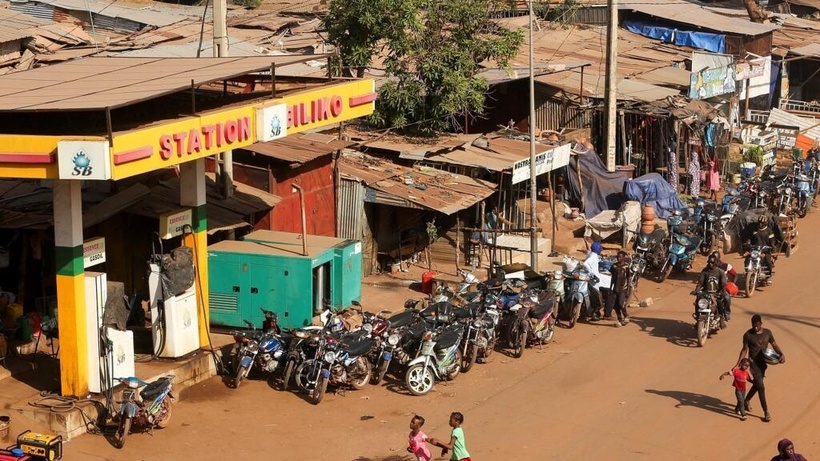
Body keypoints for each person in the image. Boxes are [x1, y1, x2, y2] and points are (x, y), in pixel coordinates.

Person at [735, 314, 786, 422]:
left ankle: (745, 401)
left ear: (761, 324)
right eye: (753, 326)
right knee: (761, 387)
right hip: (753, 365)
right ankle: (766, 412)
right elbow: (744, 349)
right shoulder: (748, 335)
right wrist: (738, 363)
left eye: (757, 326)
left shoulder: (768, 333)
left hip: (763, 365)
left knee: (757, 385)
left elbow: (774, 345)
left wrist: (781, 354)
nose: (755, 328)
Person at [694, 252, 728, 322]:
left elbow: (723, 284)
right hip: (706, 293)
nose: (710, 264)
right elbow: (700, 282)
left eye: (712, 263)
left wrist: (723, 292)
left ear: (716, 263)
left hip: (716, 293)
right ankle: (698, 317)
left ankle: (721, 318)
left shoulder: (720, 272)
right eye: (709, 262)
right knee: (698, 300)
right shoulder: (704, 271)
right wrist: (697, 290)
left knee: (720, 303)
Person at [583, 241, 610, 321]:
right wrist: (592, 274)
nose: (601, 249)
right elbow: (586, 264)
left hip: (593, 278)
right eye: (600, 248)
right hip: (594, 279)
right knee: (605, 289)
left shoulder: (592, 255)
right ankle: (597, 310)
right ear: (598, 249)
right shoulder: (593, 257)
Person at [747, 214, 776, 278]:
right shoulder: (754, 230)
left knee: (768, 261)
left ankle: (768, 276)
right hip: (756, 250)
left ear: (765, 223)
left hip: (765, 251)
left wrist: (773, 251)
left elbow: (772, 242)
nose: (760, 224)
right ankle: (747, 273)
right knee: (747, 259)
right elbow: (750, 239)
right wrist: (748, 245)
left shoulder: (769, 232)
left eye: (762, 223)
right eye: (759, 222)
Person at [607, 250, 630, 327]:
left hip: (623, 288)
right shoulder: (614, 266)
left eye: (620, 257)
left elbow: (629, 278)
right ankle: (620, 320)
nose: (618, 258)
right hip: (615, 288)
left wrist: (628, 289)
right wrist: (610, 288)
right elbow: (612, 278)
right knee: (615, 305)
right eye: (617, 257)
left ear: (624, 258)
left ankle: (626, 315)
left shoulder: (626, 267)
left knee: (621, 304)